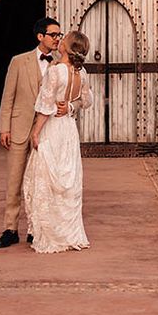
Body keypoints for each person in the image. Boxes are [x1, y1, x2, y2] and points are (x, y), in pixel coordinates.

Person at [0, 18, 65, 249]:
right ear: (40, 37)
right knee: (14, 180)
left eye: (59, 35)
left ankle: (36, 229)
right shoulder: (19, 61)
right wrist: (4, 127)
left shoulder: (60, 64)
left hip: (46, 131)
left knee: (41, 182)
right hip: (18, 128)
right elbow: (8, 97)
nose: (57, 39)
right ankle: (10, 229)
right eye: (53, 34)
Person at [22, 30, 94, 253]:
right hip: (69, 130)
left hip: (53, 128)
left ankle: (50, 234)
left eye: (63, 39)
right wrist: (71, 107)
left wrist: (35, 132)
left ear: (67, 47)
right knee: (68, 181)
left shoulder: (56, 72)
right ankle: (69, 232)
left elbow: (45, 105)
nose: (59, 41)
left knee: (46, 178)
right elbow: (88, 99)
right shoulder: (81, 72)